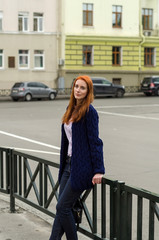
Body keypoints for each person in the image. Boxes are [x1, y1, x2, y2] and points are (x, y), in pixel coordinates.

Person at [49, 75, 105, 240]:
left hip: (82, 168)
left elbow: (95, 142)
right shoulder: (71, 108)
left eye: (82, 88)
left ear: (88, 91)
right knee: (61, 209)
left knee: (62, 207)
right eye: (76, 86)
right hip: (68, 164)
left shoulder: (89, 112)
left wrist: (98, 170)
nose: (78, 90)